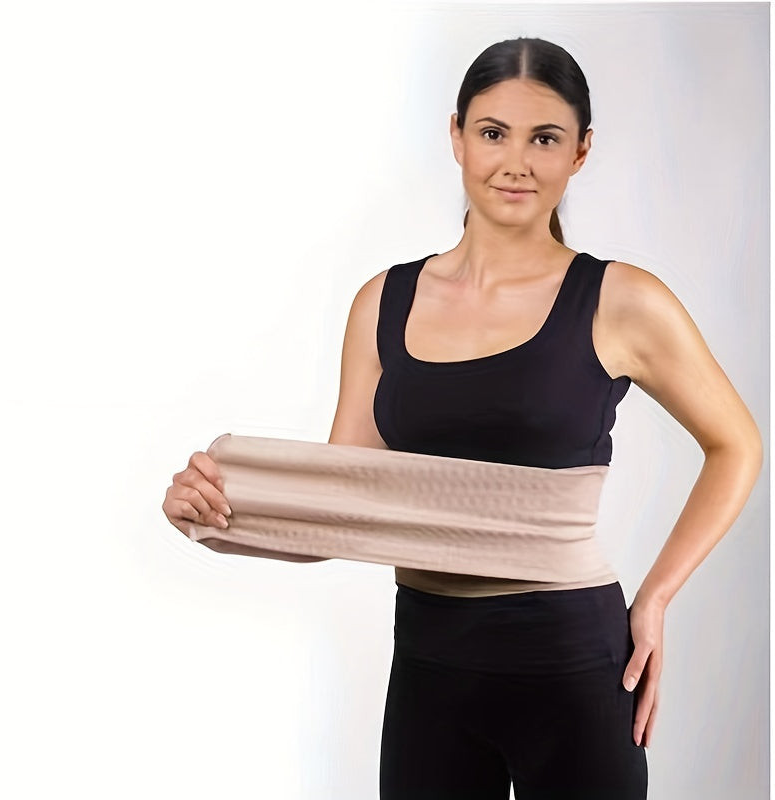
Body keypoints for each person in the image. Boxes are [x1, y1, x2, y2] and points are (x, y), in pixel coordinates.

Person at [162, 37, 763, 799]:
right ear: (456, 136)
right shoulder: (383, 302)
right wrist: (216, 514)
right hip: (429, 670)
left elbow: (736, 444)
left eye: (544, 138)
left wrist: (657, 597)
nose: (516, 162)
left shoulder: (622, 300)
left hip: (572, 664)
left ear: (580, 152)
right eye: (493, 133)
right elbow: (343, 510)